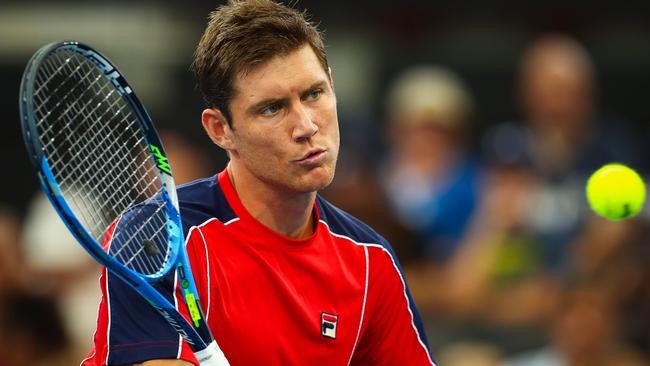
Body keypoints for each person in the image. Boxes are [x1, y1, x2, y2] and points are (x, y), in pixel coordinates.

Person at [82, 1, 435, 365]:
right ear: (220, 130)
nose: (306, 127)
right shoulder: (157, 236)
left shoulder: (369, 259)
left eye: (313, 94)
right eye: (272, 108)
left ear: (332, 84)